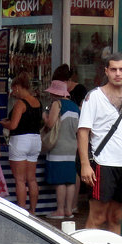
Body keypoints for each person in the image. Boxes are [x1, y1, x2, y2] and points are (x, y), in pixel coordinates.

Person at [78, 53, 122, 234]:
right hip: (101, 163)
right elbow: (83, 132)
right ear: (106, 71)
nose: (118, 73)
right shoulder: (94, 97)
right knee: (97, 217)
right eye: (113, 69)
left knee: (116, 217)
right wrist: (85, 164)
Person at [3, 72, 43, 215]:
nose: (13, 92)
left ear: (19, 87)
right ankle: (32, 211)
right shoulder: (38, 102)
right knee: (32, 179)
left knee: (20, 180)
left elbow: (13, 125)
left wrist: (3, 124)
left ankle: (21, 212)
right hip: (35, 139)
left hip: (20, 140)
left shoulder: (20, 103)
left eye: (13, 89)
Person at [42, 79, 80, 220]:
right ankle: (69, 210)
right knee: (70, 180)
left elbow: (50, 124)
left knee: (60, 181)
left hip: (58, 146)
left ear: (54, 93)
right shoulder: (75, 107)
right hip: (72, 146)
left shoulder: (57, 104)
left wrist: (45, 118)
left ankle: (59, 210)